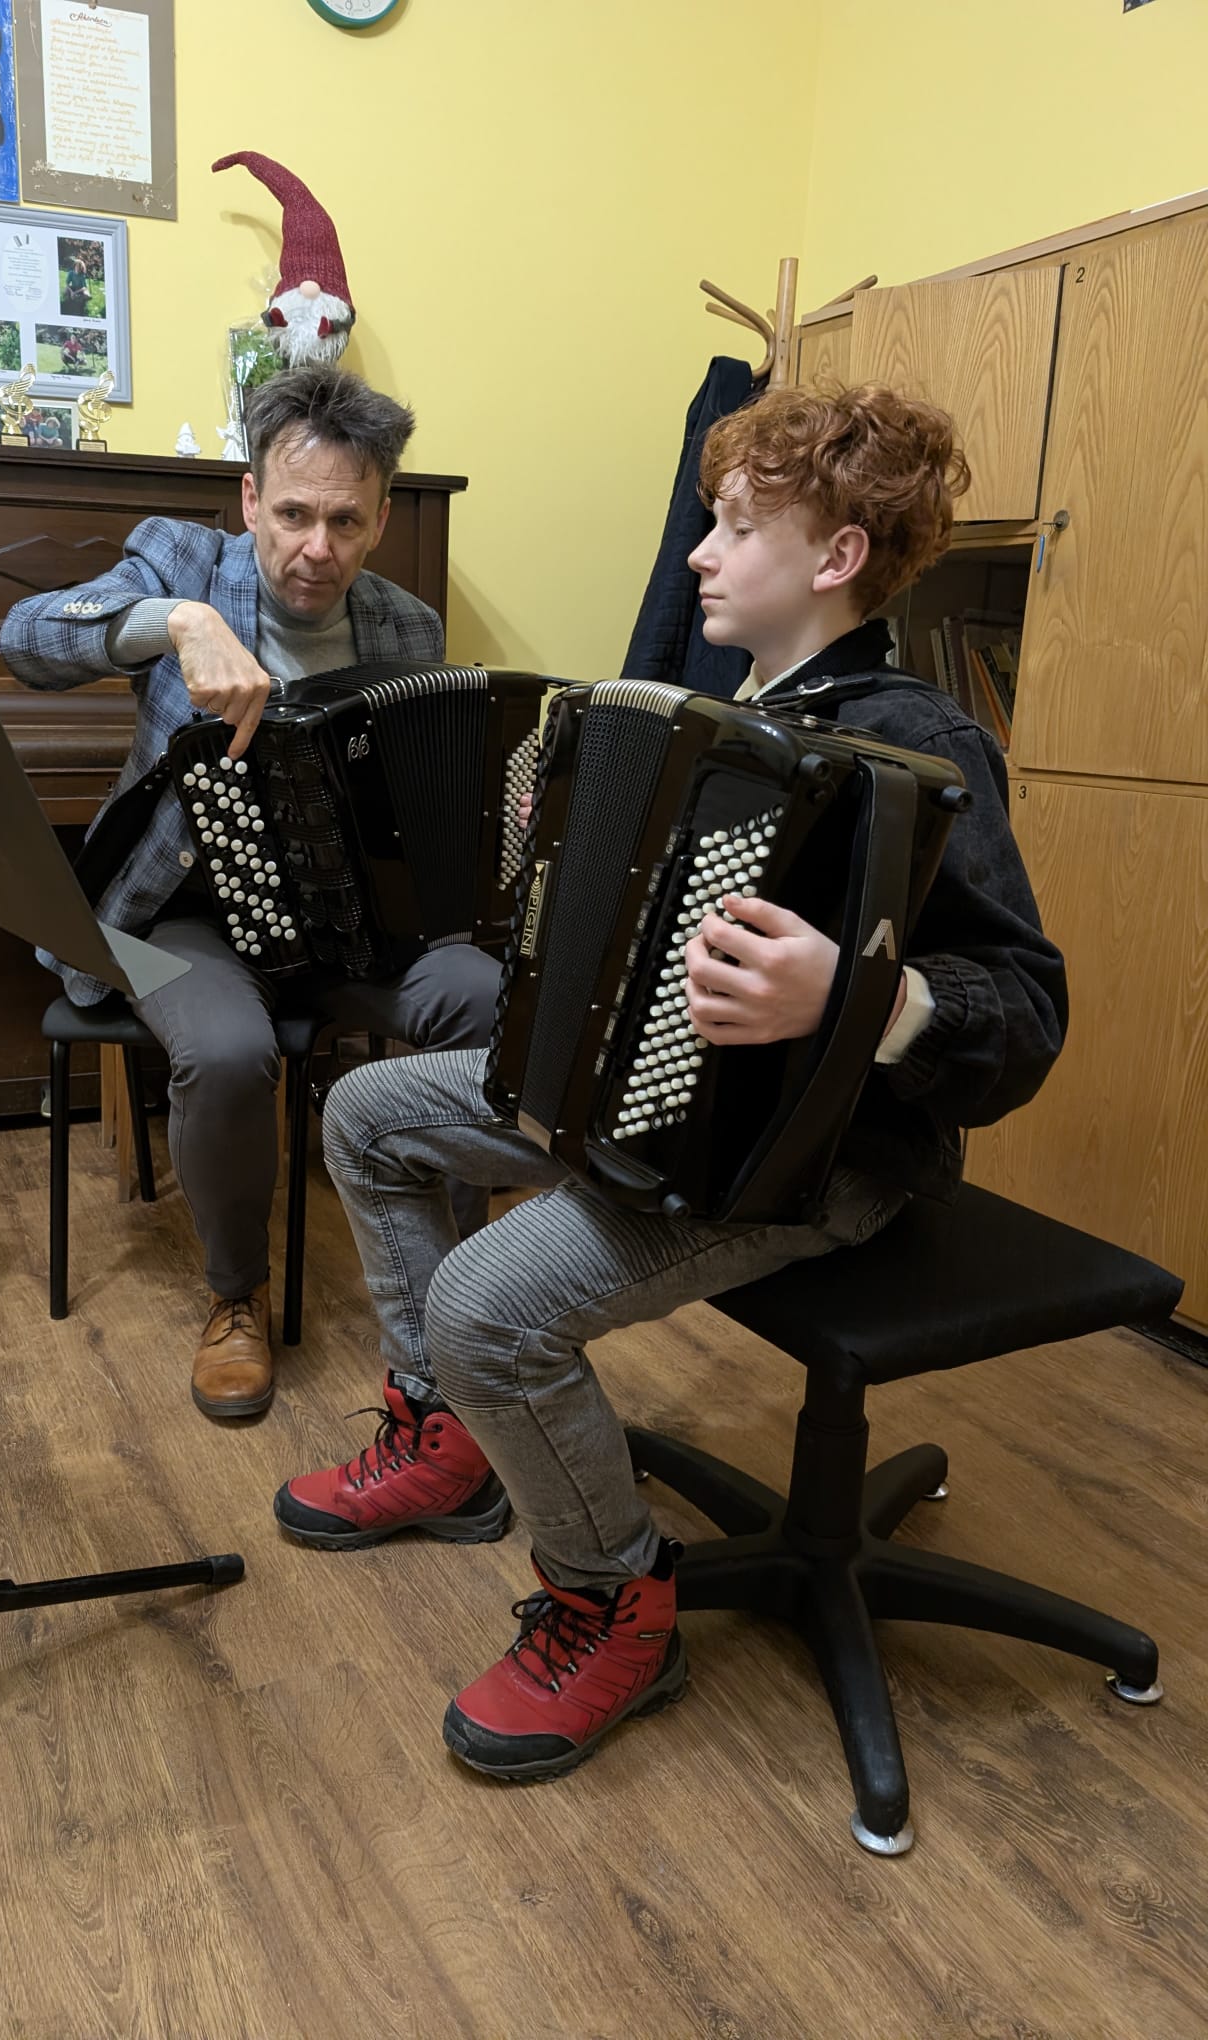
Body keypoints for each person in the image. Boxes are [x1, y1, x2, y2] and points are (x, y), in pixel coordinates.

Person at [275, 383, 1068, 1783]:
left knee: (488, 1301)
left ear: (835, 559)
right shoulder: (723, 720)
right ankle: (447, 1432)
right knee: (366, 1113)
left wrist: (857, 995)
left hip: (812, 1160)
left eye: (739, 528)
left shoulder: (919, 746)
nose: (700, 552)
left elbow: (1028, 1012)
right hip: (647, 1097)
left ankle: (611, 1600)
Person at [0, 366, 501, 1420]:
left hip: (343, 920)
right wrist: (174, 623)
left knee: (486, 999)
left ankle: (464, 1292)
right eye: (294, 514)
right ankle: (236, 1295)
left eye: (347, 522)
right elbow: (28, 639)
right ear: (249, 500)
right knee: (227, 1053)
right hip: (177, 915)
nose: (318, 548)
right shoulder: (182, 562)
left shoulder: (406, 629)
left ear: (381, 521)